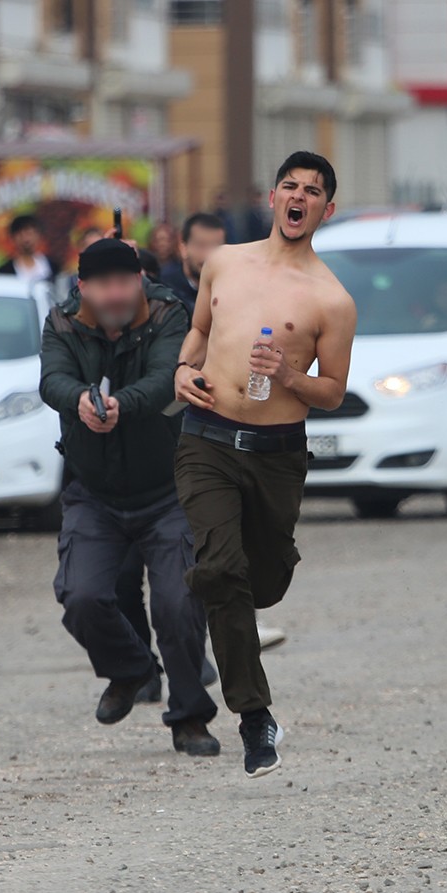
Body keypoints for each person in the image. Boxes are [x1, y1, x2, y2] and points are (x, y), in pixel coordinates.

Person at [173, 151, 358, 777]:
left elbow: (332, 391)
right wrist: (181, 371)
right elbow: (198, 335)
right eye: (289, 186)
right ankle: (255, 719)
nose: (298, 197)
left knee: (263, 582)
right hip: (206, 441)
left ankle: (226, 582)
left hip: (277, 457)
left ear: (325, 210)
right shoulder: (223, 262)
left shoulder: (331, 300)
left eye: (312, 191)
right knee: (223, 570)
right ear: (273, 196)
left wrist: (290, 375)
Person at [40, 238, 220, 756]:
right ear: (84, 288)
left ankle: (190, 717)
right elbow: (52, 379)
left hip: (167, 489)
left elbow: (168, 378)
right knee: (81, 597)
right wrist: (79, 401)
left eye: (124, 282)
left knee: (178, 604)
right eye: (103, 285)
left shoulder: (168, 314)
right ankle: (132, 669)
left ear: (138, 281)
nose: (115, 293)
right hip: (93, 492)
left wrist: (120, 405)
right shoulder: (63, 322)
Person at [159, 212, 225, 310]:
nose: (208, 255)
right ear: (183, 248)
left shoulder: (229, 288)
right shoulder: (166, 289)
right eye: (201, 245)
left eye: (216, 247)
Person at [0, 214, 54, 284]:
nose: (26, 240)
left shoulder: (52, 267)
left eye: (30, 234)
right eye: (21, 235)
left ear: (38, 236)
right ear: (13, 238)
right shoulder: (4, 272)